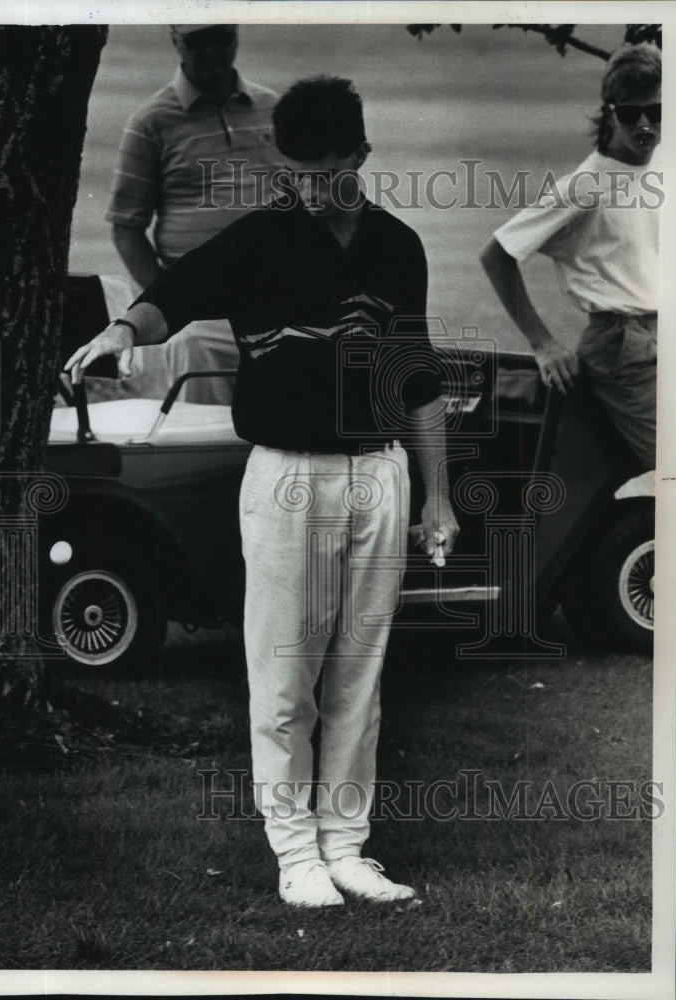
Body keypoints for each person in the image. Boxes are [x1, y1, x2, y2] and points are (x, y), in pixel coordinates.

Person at [68, 76, 459, 908]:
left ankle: (348, 846)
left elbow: (419, 382)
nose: (311, 191)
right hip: (287, 475)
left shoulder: (399, 247)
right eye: (297, 174)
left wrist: (437, 499)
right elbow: (168, 298)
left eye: (326, 172)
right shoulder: (258, 242)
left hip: (381, 473)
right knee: (284, 672)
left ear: (360, 155)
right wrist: (116, 331)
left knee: (360, 670)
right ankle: (295, 855)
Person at [480, 43, 661, 471]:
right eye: (630, 113)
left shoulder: (661, 165)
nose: (645, 125)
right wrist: (543, 342)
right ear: (609, 111)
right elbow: (497, 255)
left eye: (657, 112)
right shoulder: (586, 185)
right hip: (623, 347)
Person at [106, 23, 280, 402]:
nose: (212, 50)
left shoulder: (274, 110)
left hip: (277, 292)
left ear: (237, 37)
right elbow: (126, 226)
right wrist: (167, 300)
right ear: (175, 41)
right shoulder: (150, 122)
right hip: (200, 303)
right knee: (193, 341)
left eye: (222, 38)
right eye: (199, 41)